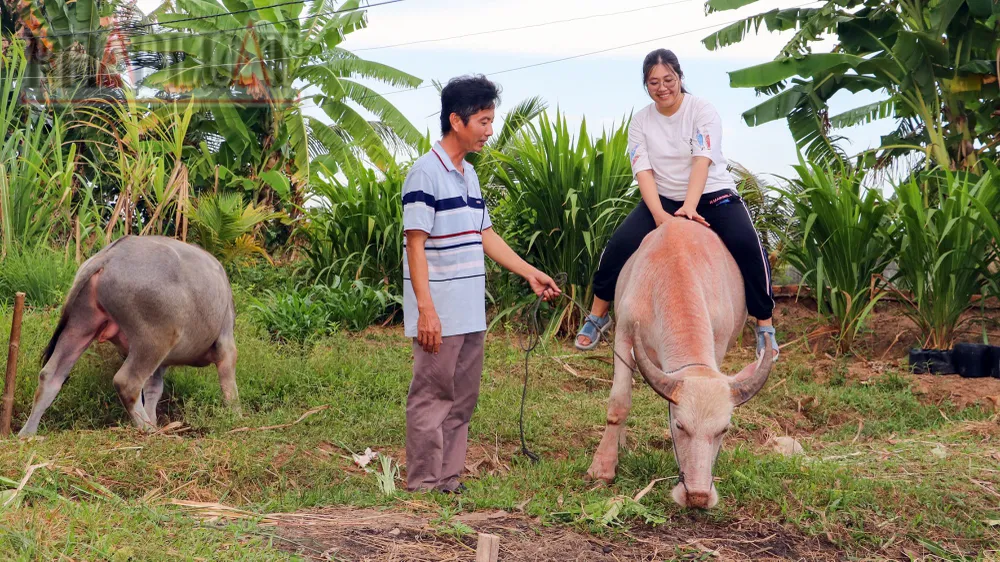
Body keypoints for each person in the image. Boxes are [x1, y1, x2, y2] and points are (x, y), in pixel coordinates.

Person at [402, 75, 561, 493]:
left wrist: (528, 271)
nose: (490, 131)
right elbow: (414, 245)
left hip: (471, 311)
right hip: (440, 311)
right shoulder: (424, 174)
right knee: (431, 397)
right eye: (484, 122)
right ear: (457, 120)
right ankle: (422, 484)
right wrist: (427, 310)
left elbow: (484, 235)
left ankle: (448, 481)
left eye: (492, 122)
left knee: (461, 400)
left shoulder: (469, 175)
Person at [574, 49, 778, 360]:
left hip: (711, 193)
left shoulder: (702, 110)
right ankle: (597, 316)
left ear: (680, 78)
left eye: (668, 79)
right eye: (653, 82)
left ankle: (765, 327)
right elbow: (643, 171)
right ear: (646, 85)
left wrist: (691, 207)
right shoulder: (641, 121)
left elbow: (702, 160)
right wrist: (658, 215)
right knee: (617, 246)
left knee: (748, 245)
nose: (662, 87)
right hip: (664, 198)